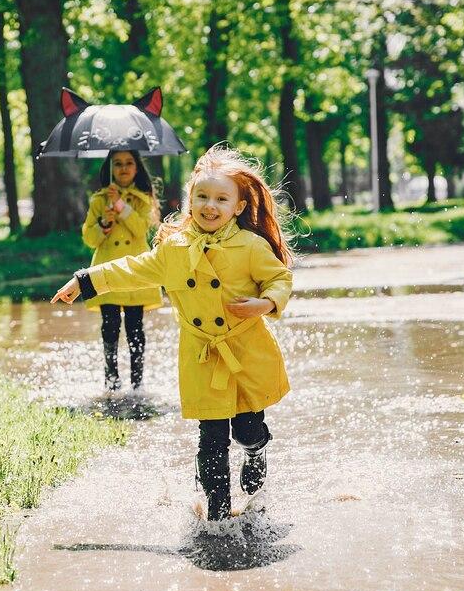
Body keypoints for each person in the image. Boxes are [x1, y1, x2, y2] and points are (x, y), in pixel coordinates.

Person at [53, 146, 295, 520]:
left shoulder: (250, 246)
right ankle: (217, 518)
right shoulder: (174, 248)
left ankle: (256, 450)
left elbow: (279, 278)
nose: (209, 206)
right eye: (201, 196)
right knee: (211, 437)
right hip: (201, 354)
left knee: (247, 429)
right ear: (188, 200)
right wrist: (84, 280)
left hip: (244, 351)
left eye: (220, 199)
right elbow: (133, 268)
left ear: (239, 207)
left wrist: (265, 304)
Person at [80, 150, 163, 391]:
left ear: (137, 168)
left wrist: (121, 206)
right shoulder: (98, 200)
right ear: (110, 168)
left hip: (135, 270)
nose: (124, 168)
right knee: (109, 325)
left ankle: (137, 382)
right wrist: (104, 224)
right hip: (105, 268)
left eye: (129, 163)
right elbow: (89, 238)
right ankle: (111, 380)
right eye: (118, 164)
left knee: (135, 326)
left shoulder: (143, 199)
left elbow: (140, 230)